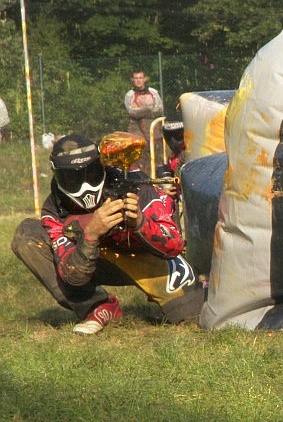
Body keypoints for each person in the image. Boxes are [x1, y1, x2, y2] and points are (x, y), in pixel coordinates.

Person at [11, 134, 206, 334]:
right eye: (73, 178)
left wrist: (140, 223)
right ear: (58, 175)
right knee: (28, 235)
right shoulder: (55, 208)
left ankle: (203, 286)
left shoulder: (134, 183)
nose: (85, 185)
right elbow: (72, 277)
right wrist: (91, 234)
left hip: (146, 257)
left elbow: (174, 245)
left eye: (91, 173)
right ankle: (96, 306)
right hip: (95, 259)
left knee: (193, 315)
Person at [124, 70, 164, 173]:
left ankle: (158, 177)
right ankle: (141, 178)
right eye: (136, 78)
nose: (138, 81)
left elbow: (159, 109)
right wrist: (148, 108)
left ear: (145, 79)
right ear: (132, 80)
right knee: (139, 156)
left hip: (153, 128)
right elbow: (132, 112)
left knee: (156, 156)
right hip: (136, 129)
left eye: (140, 78)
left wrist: (141, 109)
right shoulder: (129, 95)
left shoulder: (153, 92)